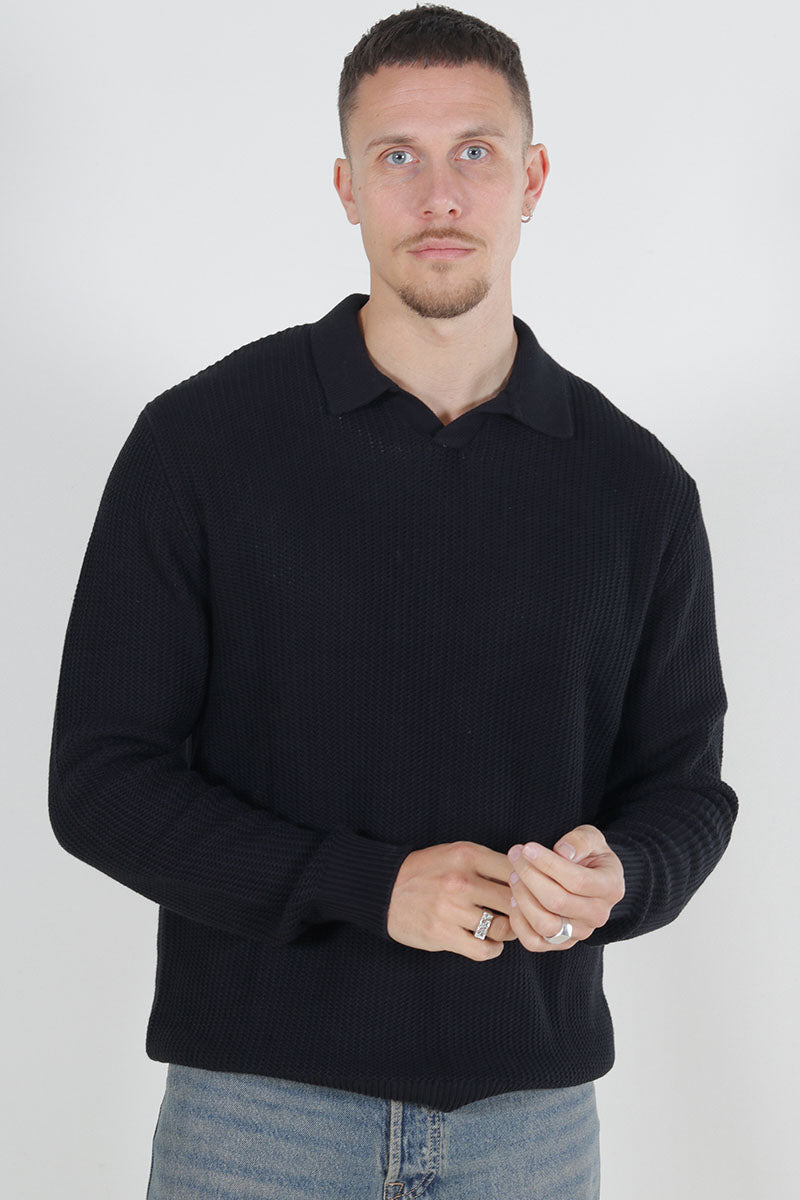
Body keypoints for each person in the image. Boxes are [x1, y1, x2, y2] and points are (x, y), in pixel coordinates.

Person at [48, 5, 738, 1198]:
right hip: (255, 1116)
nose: (438, 195)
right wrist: (366, 887)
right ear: (347, 188)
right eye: (395, 157)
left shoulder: (636, 489)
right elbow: (101, 782)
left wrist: (621, 871)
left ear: (531, 179)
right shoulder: (200, 446)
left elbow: (684, 790)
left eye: (473, 151)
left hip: (528, 1126)